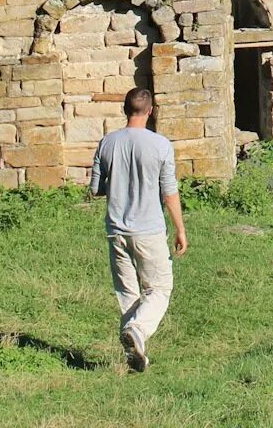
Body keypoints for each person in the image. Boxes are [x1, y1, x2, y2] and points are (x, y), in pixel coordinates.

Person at [89, 86, 187, 371]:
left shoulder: (107, 143)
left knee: (128, 293)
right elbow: (169, 191)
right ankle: (138, 332)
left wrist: (118, 180)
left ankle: (134, 356)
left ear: (124, 110)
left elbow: (96, 189)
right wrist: (180, 228)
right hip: (149, 229)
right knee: (159, 288)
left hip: (117, 229)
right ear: (151, 111)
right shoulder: (160, 145)